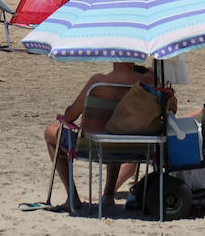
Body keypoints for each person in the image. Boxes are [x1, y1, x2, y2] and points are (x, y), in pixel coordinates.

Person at [45, 61, 157, 212]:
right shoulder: (149, 82)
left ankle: (72, 197)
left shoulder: (98, 82)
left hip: (93, 147)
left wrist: (67, 112)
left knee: (51, 131)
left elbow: (70, 116)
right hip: (138, 147)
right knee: (116, 130)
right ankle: (109, 195)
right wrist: (151, 73)